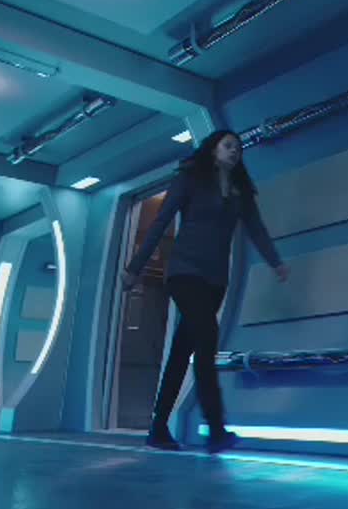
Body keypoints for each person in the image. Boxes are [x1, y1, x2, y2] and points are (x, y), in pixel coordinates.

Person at [121, 130, 289, 453]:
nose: (234, 151)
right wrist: (135, 267)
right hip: (184, 272)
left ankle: (158, 428)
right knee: (207, 340)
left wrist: (275, 262)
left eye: (238, 148)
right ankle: (215, 429)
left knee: (181, 352)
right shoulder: (190, 179)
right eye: (228, 146)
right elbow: (161, 221)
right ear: (213, 149)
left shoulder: (240, 191)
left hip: (215, 280)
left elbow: (256, 229)